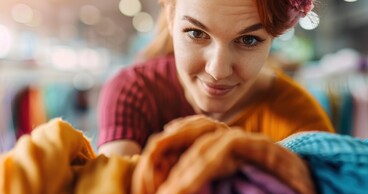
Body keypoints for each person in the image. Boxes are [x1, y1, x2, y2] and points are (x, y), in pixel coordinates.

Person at [97, 0, 334, 156]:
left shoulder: (299, 116)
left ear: (273, 38)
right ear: (171, 19)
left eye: (248, 40)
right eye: (196, 33)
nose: (218, 71)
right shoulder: (134, 92)